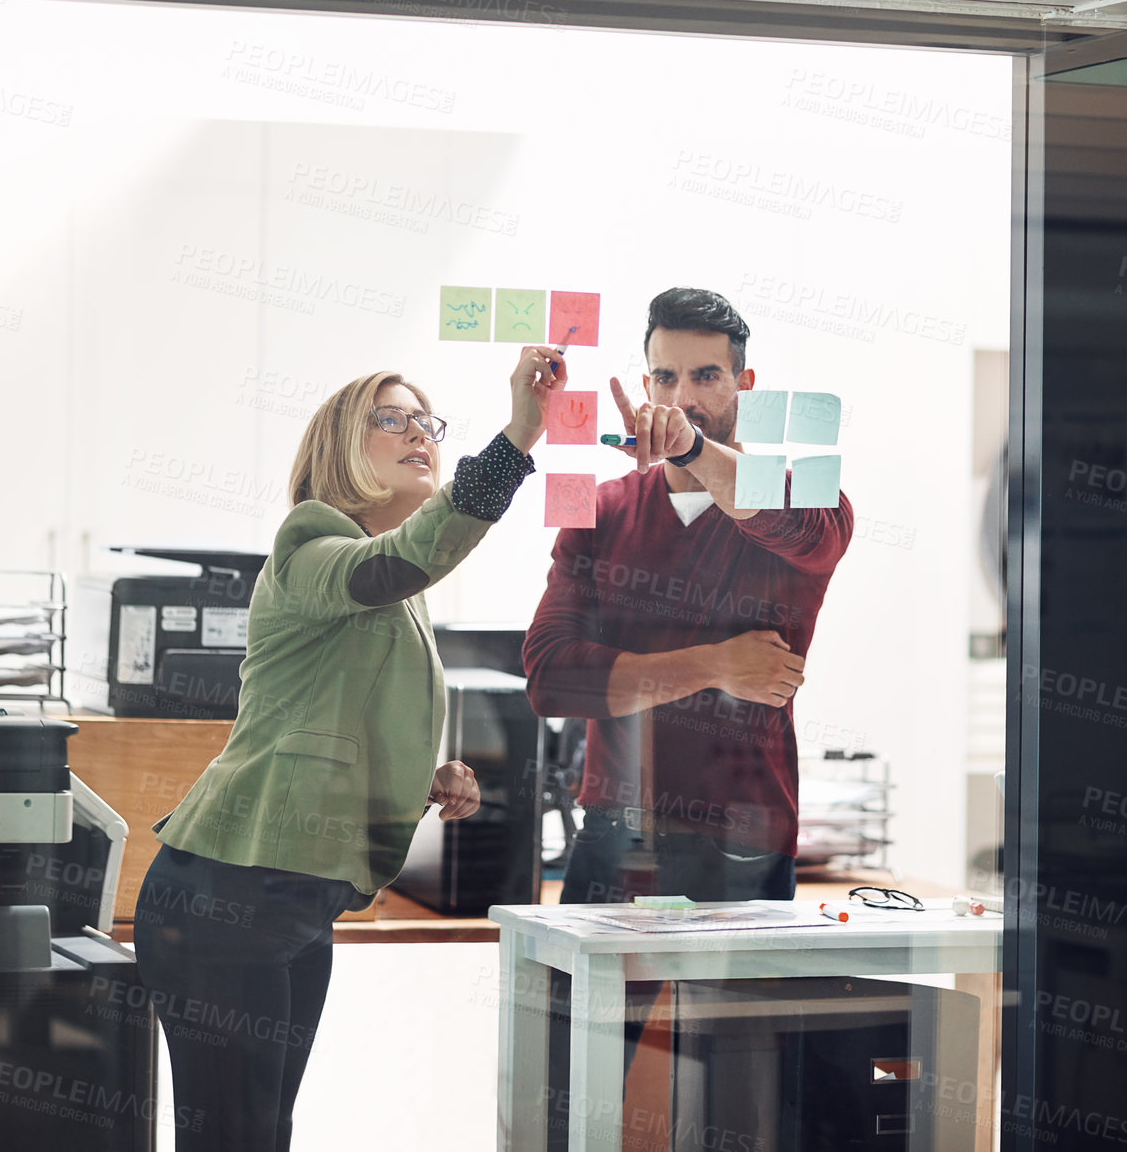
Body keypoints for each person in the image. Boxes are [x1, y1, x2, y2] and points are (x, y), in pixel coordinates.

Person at [134, 347, 565, 1152]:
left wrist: (422, 774)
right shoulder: (310, 544)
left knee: (263, 1131)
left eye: (427, 423)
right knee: (232, 1137)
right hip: (225, 897)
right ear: (339, 448)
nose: (419, 434)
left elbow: (338, 714)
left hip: (296, 904)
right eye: (389, 419)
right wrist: (517, 437)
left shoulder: (393, 593)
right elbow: (402, 559)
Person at [522, 286, 853, 1146]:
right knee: (566, 1083)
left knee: (744, 1102)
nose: (682, 395)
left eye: (706, 375)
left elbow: (795, 528)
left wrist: (698, 449)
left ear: (746, 381)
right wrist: (715, 665)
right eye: (666, 376)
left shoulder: (809, 496)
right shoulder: (596, 508)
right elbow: (552, 679)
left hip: (743, 835)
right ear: (644, 379)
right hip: (613, 829)